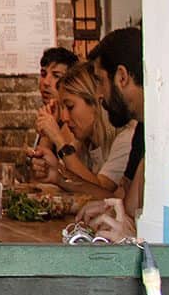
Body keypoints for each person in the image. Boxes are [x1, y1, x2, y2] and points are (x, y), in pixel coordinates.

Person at [29, 61, 135, 199]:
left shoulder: (127, 139)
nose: (65, 118)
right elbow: (57, 181)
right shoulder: (83, 142)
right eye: (62, 109)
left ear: (96, 103)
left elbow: (102, 191)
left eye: (70, 107)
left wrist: (59, 140)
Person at [78, 27, 145, 242]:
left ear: (122, 77)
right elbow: (127, 205)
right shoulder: (143, 132)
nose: (98, 94)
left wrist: (131, 236)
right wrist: (110, 210)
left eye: (99, 81)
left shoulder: (165, 135)